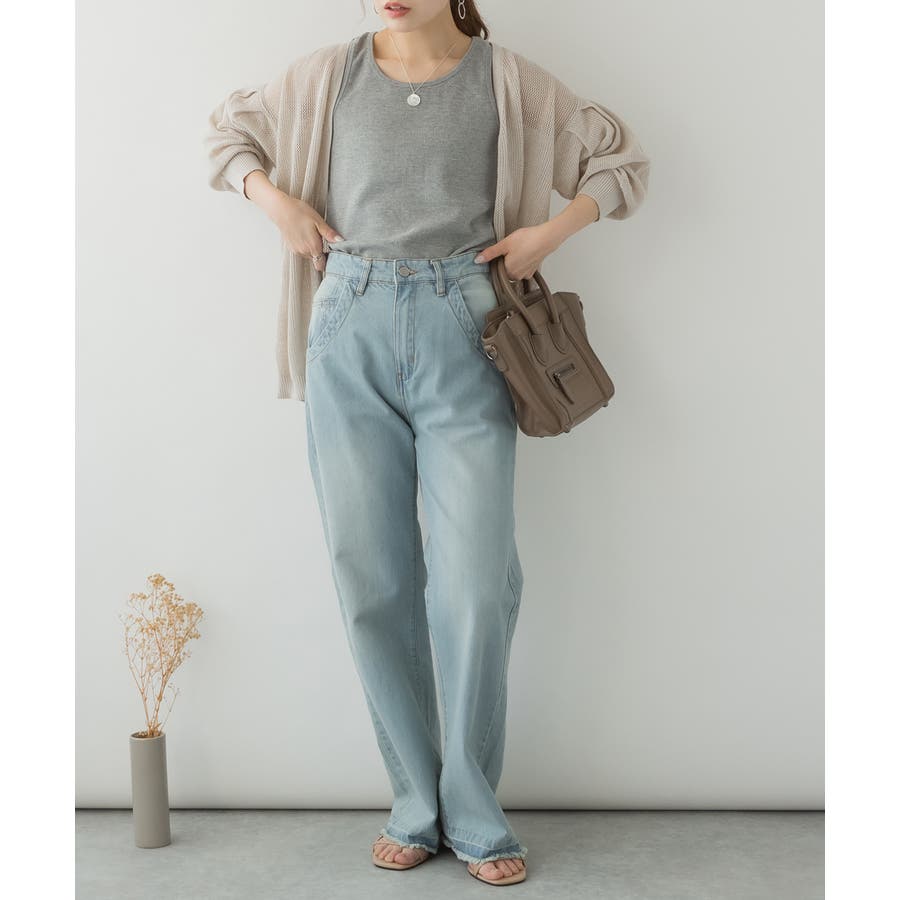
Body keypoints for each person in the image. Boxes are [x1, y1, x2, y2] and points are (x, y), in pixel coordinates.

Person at [205, 0, 650, 887]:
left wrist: (548, 235)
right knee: (370, 577)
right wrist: (276, 202)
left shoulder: (508, 80)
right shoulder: (326, 76)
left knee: (476, 584)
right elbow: (228, 136)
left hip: (468, 328)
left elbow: (621, 162)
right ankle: (414, 801)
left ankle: (474, 810)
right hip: (349, 321)